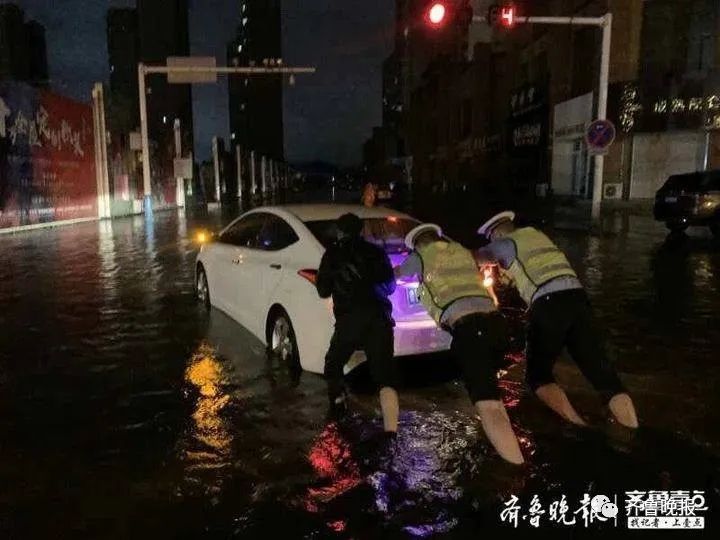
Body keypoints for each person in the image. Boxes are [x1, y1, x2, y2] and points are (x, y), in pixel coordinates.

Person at [475, 211, 639, 429]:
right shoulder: (537, 237)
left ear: (496, 234)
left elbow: (474, 257)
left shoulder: (505, 243)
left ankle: (578, 425)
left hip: (549, 304)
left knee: (538, 376)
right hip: (579, 300)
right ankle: (632, 430)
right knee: (602, 374)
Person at [395, 223, 525, 465]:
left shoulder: (421, 256)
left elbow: (394, 275)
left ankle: (518, 470)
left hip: (470, 328)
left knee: (490, 405)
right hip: (497, 325)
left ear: (417, 245)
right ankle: (504, 444)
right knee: (490, 391)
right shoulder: (462, 251)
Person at [316, 213, 401, 434]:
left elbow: (322, 290)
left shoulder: (332, 254)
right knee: (385, 377)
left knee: (333, 364)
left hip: (349, 320)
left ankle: (338, 410)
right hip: (379, 318)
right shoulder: (376, 252)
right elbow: (391, 287)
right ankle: (391, 430)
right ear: (362, 231)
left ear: (339, 231)